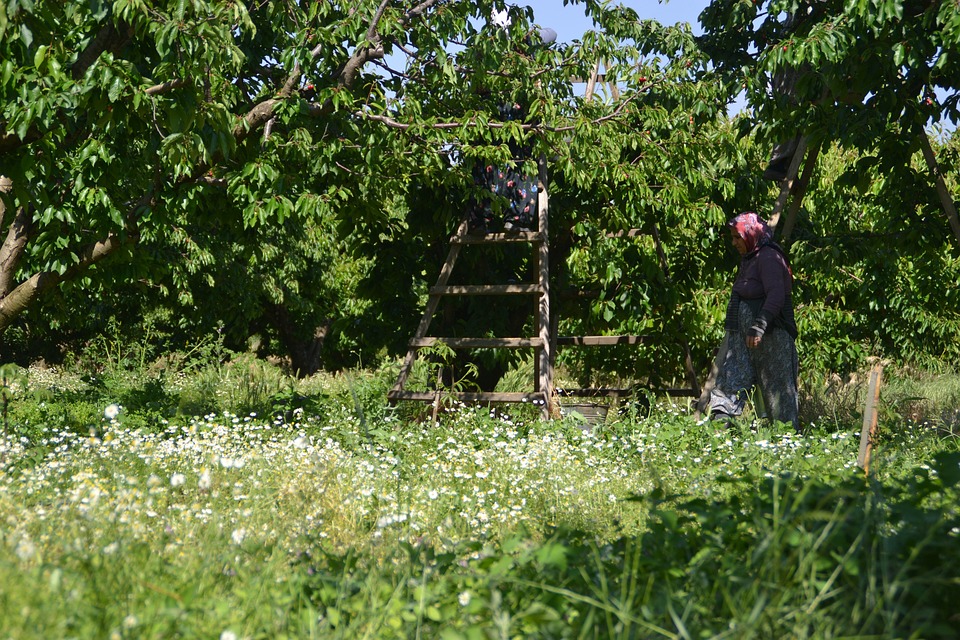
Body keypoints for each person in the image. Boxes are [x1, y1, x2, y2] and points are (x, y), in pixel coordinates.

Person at [709, 212, 800, 431]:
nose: (734, 242)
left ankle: (788, 443)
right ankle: (721, 437)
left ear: (750, 234)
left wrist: (759, 326)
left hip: (772, 337)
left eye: (737, 237)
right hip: (745, 339)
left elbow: (776, 295)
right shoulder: (751, 258)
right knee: (730, 381)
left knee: (778, 392)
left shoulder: (768, 257)